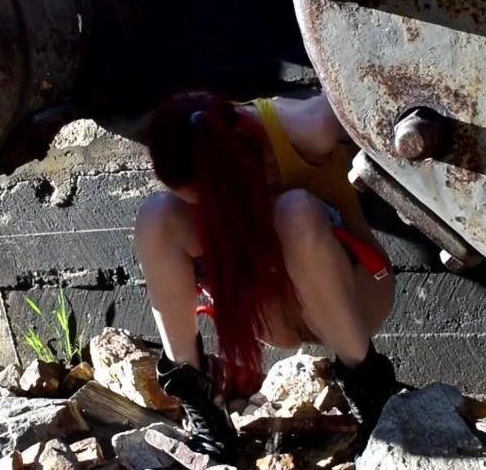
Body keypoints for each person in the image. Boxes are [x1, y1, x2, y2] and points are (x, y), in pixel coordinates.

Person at [134, 90, 401, 461]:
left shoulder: (308, 127)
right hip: (274, 317)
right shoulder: (189, 166)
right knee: (156, 217)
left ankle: (374, 403)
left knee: (294, 211)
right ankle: (205, 413)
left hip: (357, 299)